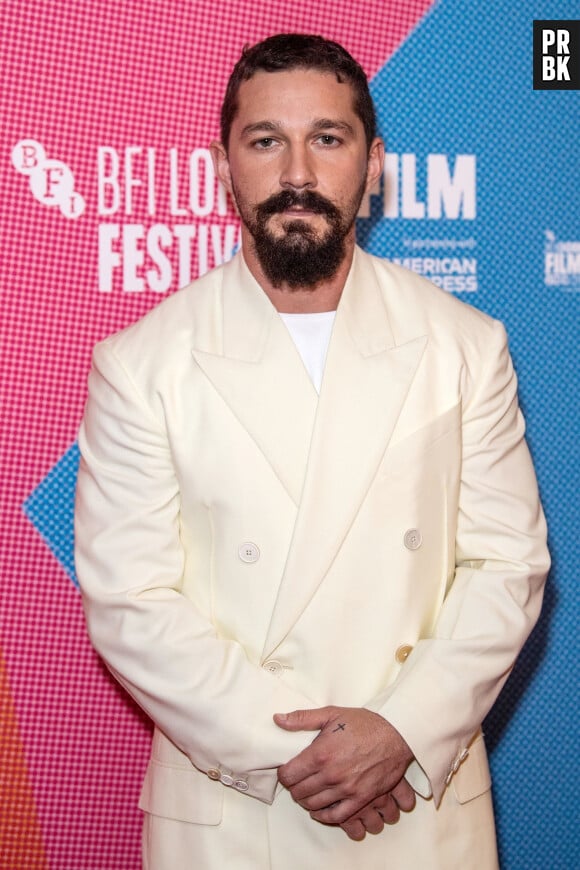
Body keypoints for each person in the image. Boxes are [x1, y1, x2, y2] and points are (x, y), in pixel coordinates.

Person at [75, 33, 550, 869]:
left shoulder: (466, 345)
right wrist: (309, 753)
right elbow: (131, 600)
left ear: (373, 168)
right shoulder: (142, 363)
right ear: (224, 166)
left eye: (327, 139)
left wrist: (401, 728)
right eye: (267, 141)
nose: (298, 172)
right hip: (232, 812)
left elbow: (507, 566)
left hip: (419, 806)